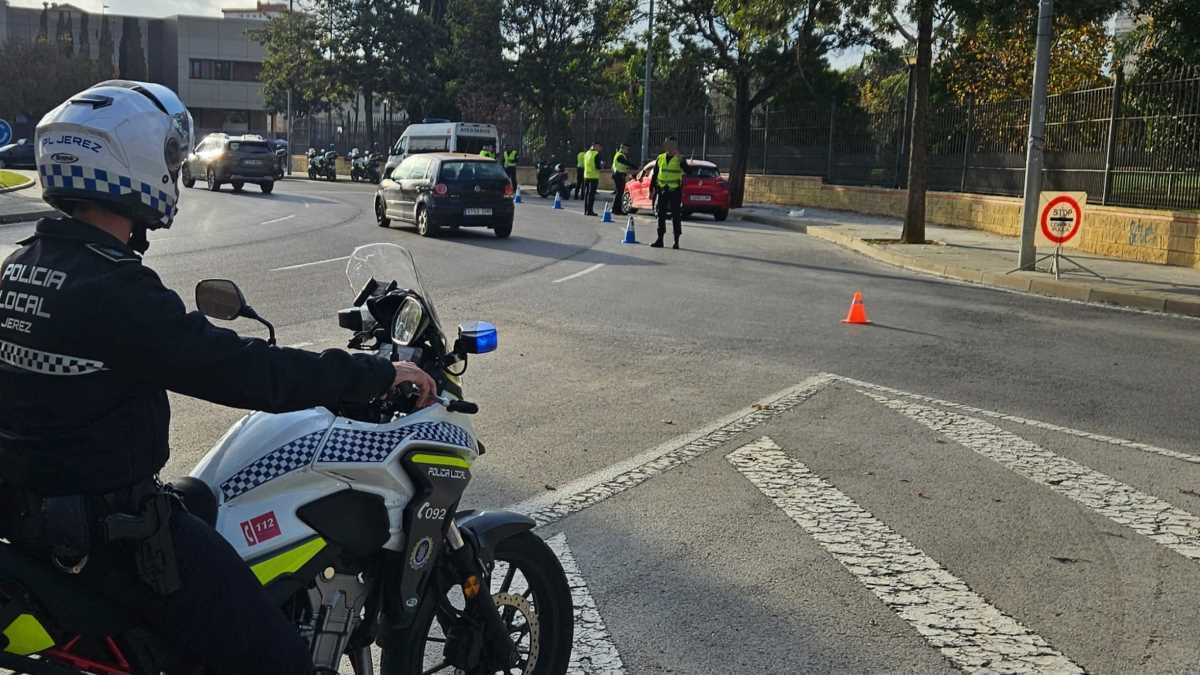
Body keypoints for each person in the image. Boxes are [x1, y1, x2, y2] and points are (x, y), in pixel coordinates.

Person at [0, 81, 437, 675]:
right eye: (167, 158)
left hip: (31, 517)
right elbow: (242, 371)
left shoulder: (22, 266)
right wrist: (372, 375)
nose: (173, 172)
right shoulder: (112, 288)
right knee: (279, 660)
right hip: (109, 535)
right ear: (129, 164)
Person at [650, 136, 690, 249]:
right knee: (660, 215)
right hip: (662, 190)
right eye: (667, 144)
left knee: (676, 215)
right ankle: (660, 239)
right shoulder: (660, 157)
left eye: (672, 145)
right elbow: (655, 174)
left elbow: (688, 171)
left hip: (675, 190)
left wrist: (682, 161)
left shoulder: (680, 159)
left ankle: (676, 241)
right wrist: (651, 189)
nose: (669, 147)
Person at [581, 142, 603, 217]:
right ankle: (590, 211)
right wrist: (602, 165)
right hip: (593, 177)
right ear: (595, 146)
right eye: (599, 147)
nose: (600, 149)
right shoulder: (596, 154)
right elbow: (597, 166)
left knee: (587, 193)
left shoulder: (587, 153)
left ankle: (586, 210)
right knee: (591, 195)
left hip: (586, 176)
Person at [611, 143, 633, 216]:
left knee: (619, 193)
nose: (628, 151)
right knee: (619, 193)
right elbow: (625, 163)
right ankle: (616, 209)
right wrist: (634, 166)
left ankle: (616, 209)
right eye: (627, 149)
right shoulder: (620, 156)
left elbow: (624, 165)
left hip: (619, 175)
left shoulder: (619, 155)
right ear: (622, 148)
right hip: (619, 175)